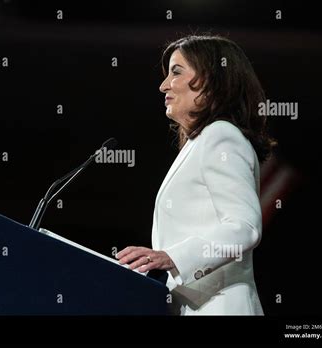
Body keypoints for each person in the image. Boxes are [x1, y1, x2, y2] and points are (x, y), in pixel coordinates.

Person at [116, 34, 276, 315]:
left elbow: (244, 227)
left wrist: (172, 257)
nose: (164, 85)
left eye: (176, 72)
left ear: (211, 81)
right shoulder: (203, 141)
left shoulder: (221, 136)